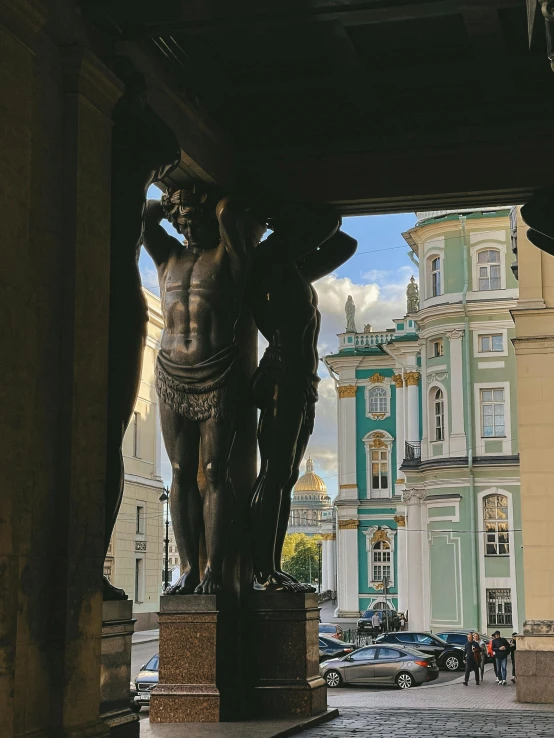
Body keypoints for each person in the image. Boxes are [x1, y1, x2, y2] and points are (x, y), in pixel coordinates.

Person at [143, 187, 265, 594]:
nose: (189, 225)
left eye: (197, 218)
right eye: (183, 219)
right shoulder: (168, 259)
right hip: (171, 373)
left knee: (214, 471)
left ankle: (215, 568)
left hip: (218, 373)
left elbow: (230, 206)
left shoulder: (229, 258)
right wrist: (170, 202)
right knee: (180, 472)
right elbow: (142, 213)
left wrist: (204, 197)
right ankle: (190, 568)